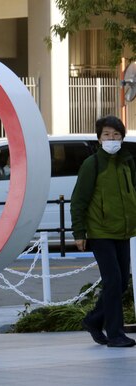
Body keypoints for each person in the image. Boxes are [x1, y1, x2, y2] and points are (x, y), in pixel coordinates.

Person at [71, 115, 136, 348]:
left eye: (116, 135)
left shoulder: (127, 162)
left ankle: (93, 320)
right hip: (100, 232)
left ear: (122, 138)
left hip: (123, 230)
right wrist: (79, 232)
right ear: (99, 139)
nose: (112, 138)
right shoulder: (92, 165)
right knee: (113, 280)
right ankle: (115, 333)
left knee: (121, 284)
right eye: (107, 134)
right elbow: (78, 200)